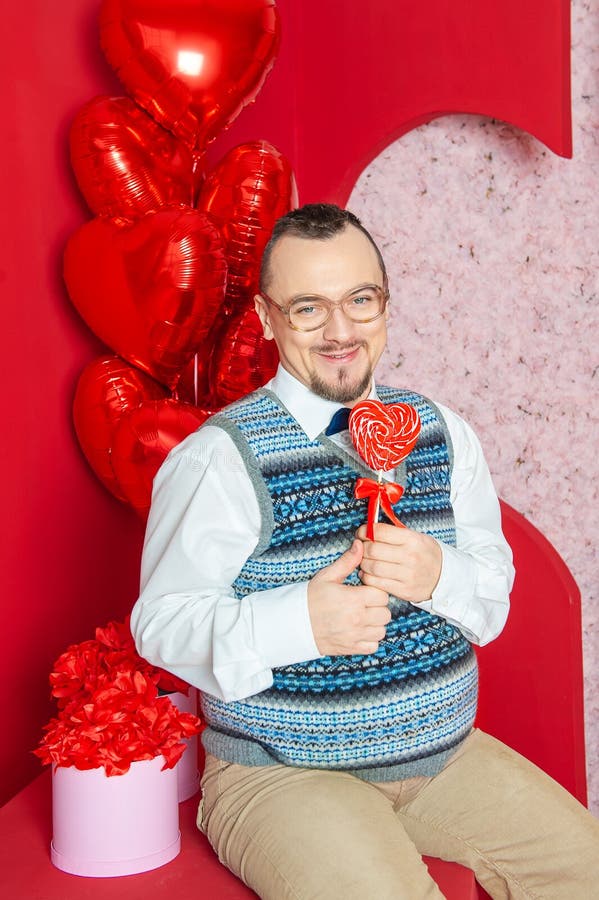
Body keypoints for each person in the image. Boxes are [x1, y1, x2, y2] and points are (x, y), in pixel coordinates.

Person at [131, 203, 599, 899]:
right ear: (265, 317)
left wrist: (438, 575)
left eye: (359, 300)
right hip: (284, 774)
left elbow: (491, 595)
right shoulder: (220, 459)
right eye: (308, 309)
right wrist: (300, 622)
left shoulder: (441, 432)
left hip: (444, 760)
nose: (341, 330)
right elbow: (160, 624)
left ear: (384, 303)